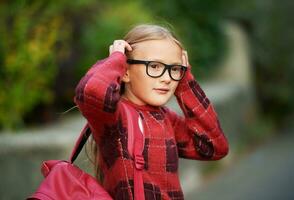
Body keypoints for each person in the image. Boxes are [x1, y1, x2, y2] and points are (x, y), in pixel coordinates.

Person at [74, 24, 229, 200]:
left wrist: (185, 83)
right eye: (154, 66)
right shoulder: (114, 116)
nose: (167, 78)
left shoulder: (166, 118)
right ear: (125, 71)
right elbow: (91, 91)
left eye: (175, 69)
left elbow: (214, 147)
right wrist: (115, 60)